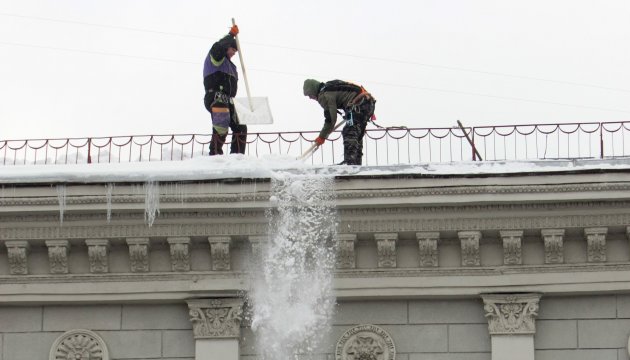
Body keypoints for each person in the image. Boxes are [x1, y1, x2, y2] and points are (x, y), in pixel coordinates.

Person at [303, 79, 376, 165]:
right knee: (356, 133)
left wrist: (322, 137)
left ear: (314, 90)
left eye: (310, 95)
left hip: (359, 104)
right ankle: (356, 163)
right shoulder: (329, 86)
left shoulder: (324, 95)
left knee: (349, 131)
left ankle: (350, 162)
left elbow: (331, 119)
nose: (310, 98)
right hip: (367, 102)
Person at [203, 23, 247, 155]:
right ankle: (215, 154)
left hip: (228, 100)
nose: (234, 53)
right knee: (221, 120)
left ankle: (237, 157)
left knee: (241, 126)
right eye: (233, 50)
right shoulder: (216, 58)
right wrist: (231, 35)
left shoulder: (231, 67)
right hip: (215, 96)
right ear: (227, 47)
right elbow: (218, 47)